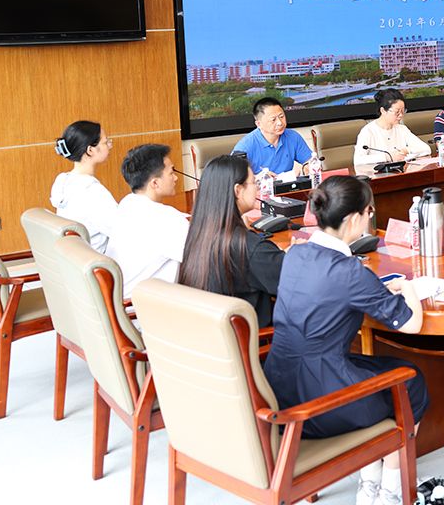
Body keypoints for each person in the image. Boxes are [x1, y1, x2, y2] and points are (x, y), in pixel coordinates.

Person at [264, 176, 427, 505]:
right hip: (319, 400)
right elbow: (412, 323)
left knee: (378, 367)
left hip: (278, 388)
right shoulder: (350, 272)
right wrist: (408, 288)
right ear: (353, 218)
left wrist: (374, 289)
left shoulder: (295, 254)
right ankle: (391, 490)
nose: (370, 217)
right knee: (411, 381)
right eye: (369, 211)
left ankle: (369, 482)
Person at [178, 156, 285, 328]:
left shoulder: (197, 235)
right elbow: (300, 283)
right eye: (254, 182)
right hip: (256, 340)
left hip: (212, 337)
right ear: (238, 190)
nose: (257, 187)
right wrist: (297, 257)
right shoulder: (249, 247)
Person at [107, 144, 189, 298]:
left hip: (122, 299)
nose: (176, 178)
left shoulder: (126, 204)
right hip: (147, 308)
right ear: (155, 183)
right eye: (171, 173)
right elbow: (204, 260)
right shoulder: (167, 219)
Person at [50, 120, 117, 253]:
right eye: (106, 142)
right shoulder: (93, 192)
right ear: (90, 150)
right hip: (98, 260)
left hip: (76, 258)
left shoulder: (63, 181)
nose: (110, 146)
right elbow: (123, 232)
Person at [232, 97, 313, 174]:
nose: (280, 123)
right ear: (259, 124)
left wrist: (307, 167)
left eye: (281, 117)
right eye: (273, 120)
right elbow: (234, 177)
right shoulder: (245, 146)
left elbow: (310, 161)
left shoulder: (293, 136)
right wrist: (256, 178)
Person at [354, 88, 432, 166]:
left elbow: (426, 149)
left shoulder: (401, 129)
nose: (401, 115)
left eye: (403, 111)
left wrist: (406, 150)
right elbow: (358, 160)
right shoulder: (368, 131)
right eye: (397, 112)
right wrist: (388, 157)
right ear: (383, 110)